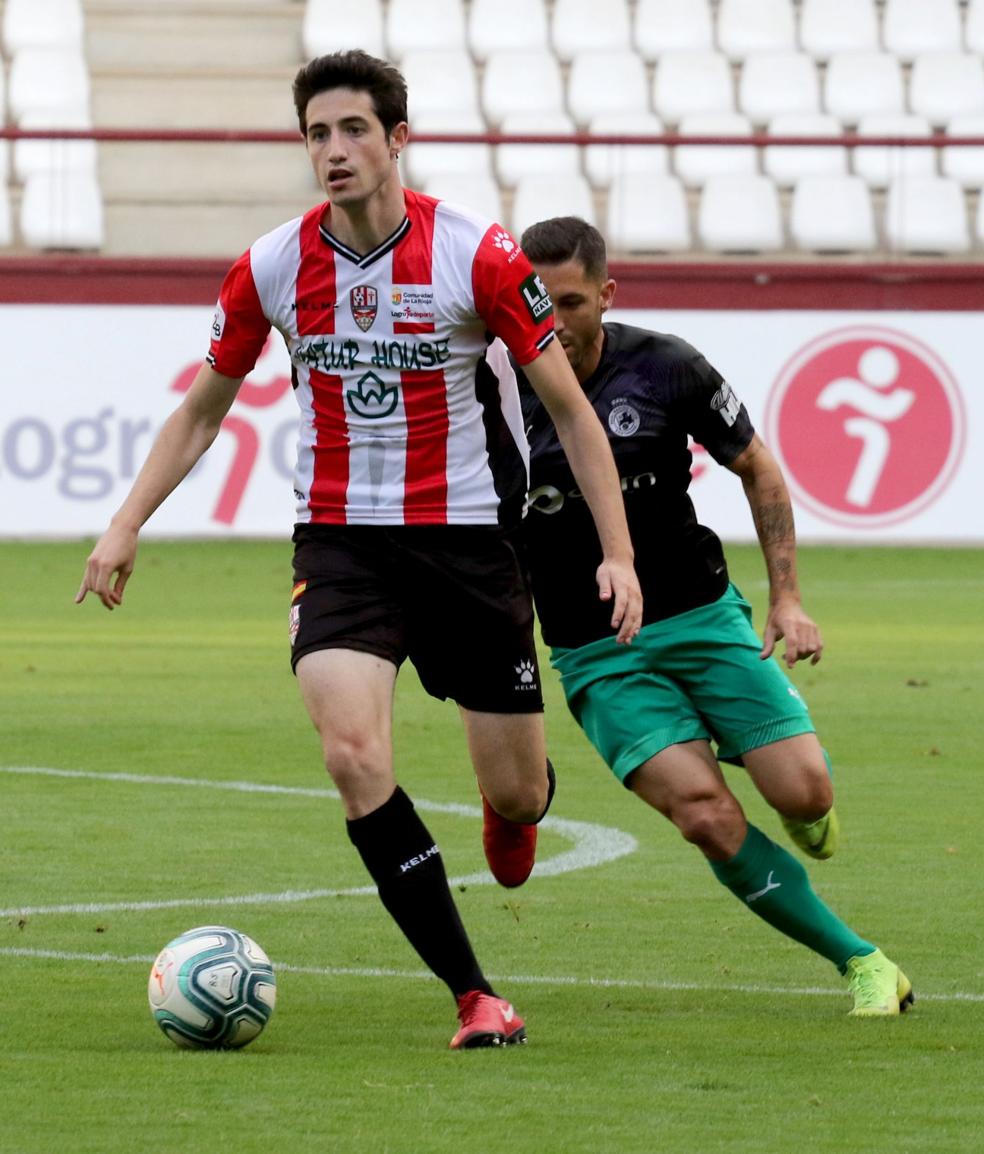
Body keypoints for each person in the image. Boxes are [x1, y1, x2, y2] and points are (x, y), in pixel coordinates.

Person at [75, 55, 642, 1050]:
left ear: (395, 139)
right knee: (351, 753)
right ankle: (475, 992)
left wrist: (618, 552)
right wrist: (125, 524)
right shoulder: (272, 265)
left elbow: (568, 407)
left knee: (514, 793)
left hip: (468, 542)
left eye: (351, 131)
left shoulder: (479, 254)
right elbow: (205, 410)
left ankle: (515, 812)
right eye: (316, 133)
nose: (332, 151)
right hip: (340, 544)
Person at [516, 216, 913, 1018]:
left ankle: (794, 799)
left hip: (700, 616)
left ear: (606, 295)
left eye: (571, 302)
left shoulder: (666, 367)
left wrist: (788, 597)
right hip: (596, 650)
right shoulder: (491, 385)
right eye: (537, 303)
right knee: (703, 815)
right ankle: (862, 962)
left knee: (802, 793)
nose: (553, 323)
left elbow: (758, 468)